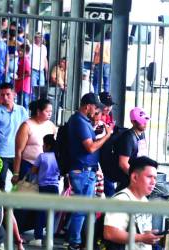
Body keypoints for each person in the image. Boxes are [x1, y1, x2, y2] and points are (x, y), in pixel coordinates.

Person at [67, 93, 112, 250]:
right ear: (87, 106)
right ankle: (75, 243)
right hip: (82, 171)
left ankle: (82, 241)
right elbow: (91, 147)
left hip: (86, 171)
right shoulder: (79, 121)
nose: (96, 111)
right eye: (95, 107)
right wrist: (107, 135)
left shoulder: (83, 121)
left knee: (84, 209)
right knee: (81, 209)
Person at [103, 156, 163, 249]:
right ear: (134, 177)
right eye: (149, 177)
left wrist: (150, 236)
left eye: (155, 178)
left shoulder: (144, 200)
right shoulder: (121, 200)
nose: (153, 182)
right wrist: (142, 238)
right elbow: (110, 233)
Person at [0, 84, 29, 190]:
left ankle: (16, 205)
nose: (5, 97)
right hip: (1, 153)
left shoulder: (22, 110)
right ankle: (1, 206)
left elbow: (28, 130)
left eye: (8, 94)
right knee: (0, 183)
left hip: (18, 154)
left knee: (21, 181)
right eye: (2, 95)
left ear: (14, 94)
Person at [12, 99, 57, 184]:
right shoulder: (26, 126)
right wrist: (16, 173)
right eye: (47, 111)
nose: (50, 114)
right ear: (38, 111)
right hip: (28, 166)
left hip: (45, 166)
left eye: (51, 111)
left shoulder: (51, 125)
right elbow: (18, 151)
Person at [29, 134, 60, 246]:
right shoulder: (58, 157)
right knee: (51, 213)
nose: (42, 146)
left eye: (43, 144)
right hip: (55, 187)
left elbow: (33, 170)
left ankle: (38, 238)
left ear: (47, 146)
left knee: (40, 212)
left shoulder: (42, 156)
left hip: (43, 187)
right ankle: (50, 239)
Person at [114, 107, 150, 191]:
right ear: (133, 122)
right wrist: (136, 177)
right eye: (141, 121)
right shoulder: (128, 138)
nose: (145, 123)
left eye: (146, 120)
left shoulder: (141, 134)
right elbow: (123, 163)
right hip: (128, 180)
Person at [31, 32, 48, 99]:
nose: (39, 39)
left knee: (42, 88)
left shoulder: (44, 47)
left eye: (41, 37)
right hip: (33, 69)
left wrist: (46, 71)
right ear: (35, 38)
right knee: (33, 88)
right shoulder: (31, 46)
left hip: (41, 70)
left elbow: (45, 59)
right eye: (38, 37)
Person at [15, 44, 31, 109]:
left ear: (26, 52)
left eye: (21, 51)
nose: (19, 52)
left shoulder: (25, 60)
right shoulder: (21, 59)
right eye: (19, 50)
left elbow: (29, 73)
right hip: (21, 85)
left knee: (23, 104)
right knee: (20, 104)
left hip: (24, 86)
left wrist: (19, 78)